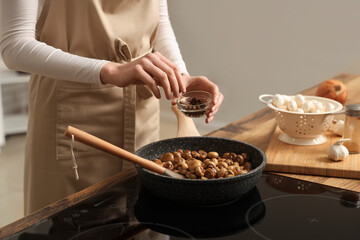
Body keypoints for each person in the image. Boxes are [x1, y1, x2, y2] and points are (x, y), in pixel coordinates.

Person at [0, 0, 224, 214]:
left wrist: (179, 75)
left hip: (141, 112)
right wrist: (110, 70)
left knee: (141, 216)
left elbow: (159, 20)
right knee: (70, 222)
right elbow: (14, 45)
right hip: (70, 112)